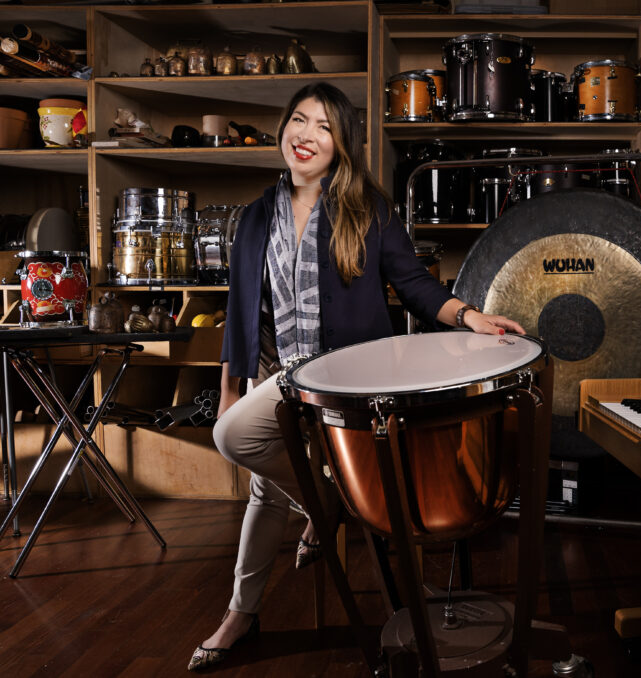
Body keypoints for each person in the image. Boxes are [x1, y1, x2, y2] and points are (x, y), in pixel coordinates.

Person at [188, 82, 524, 671]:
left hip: (353, 382)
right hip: (285, 377)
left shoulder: (368, 207)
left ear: (341, 143)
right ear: (282, 130)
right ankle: (309, 530)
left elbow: (414, 284)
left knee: (272, 486)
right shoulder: (255, 216)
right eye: (298, 120)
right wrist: (229, 392)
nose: (306, 135)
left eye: (322, 125)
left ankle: (282, 579)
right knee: (234, 434)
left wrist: (470, 316)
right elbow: (240, 313)